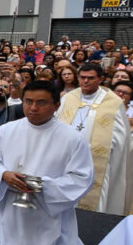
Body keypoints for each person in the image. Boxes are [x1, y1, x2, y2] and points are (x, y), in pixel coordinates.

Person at [0, 80, 97, 245]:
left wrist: (43, 185)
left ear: (56, 105)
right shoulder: (6, 131)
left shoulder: (72, 139)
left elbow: (81, 178)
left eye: (41, 103)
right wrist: (4, 175)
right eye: (28, 101)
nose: (33, 108)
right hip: (11, 206)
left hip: (47, 209)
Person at [56, 63, 133, 214]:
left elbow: (121, 137)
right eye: (82, 78)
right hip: (66, 159)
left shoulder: (113, 102)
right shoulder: (69, 98)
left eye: (90, 78)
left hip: (96, 162)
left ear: (101, 79)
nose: (85, 81)